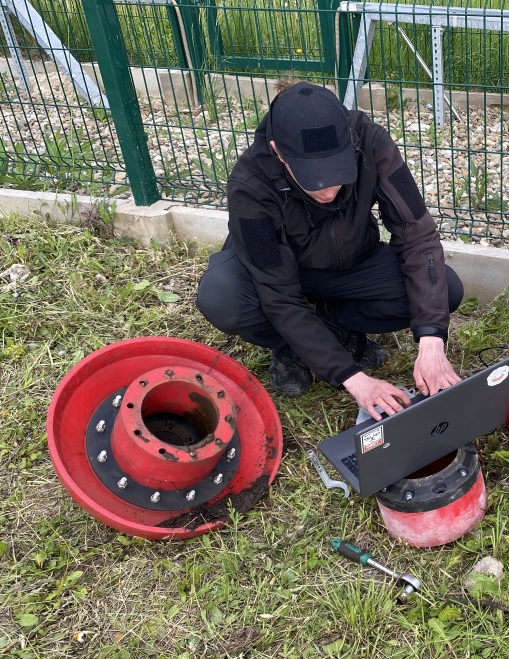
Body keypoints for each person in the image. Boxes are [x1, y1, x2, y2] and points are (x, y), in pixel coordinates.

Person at [196, 80, 464, 422]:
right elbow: (278, 295)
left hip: (351, 265)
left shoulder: (371, 142)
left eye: (337, 173)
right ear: (278, 151)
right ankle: (292, 345)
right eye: (313, 177)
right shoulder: (250, 186)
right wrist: (353, 378)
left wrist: (431, 339)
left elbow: (418, 236)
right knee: (222, 297)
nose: (328, 190)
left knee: (445, 290)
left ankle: (331, 326)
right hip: (279, 277)